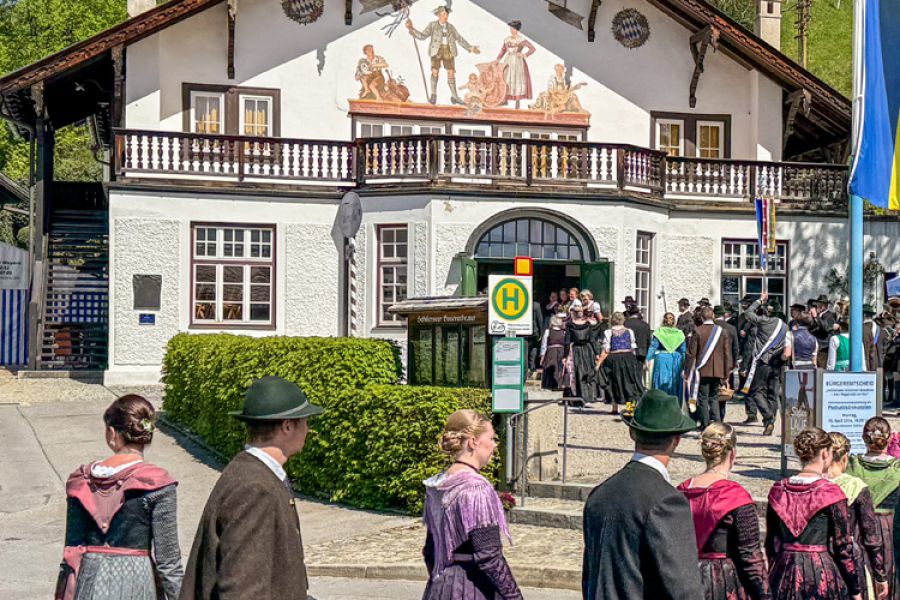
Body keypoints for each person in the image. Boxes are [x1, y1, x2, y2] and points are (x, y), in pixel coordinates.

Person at [180, 376, 324, 600]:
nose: (307, 429)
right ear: (287, 426)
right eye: (305, 421)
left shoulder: (251, 473)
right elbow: (242, 588)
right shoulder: (256, 489)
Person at [56, 395, 183, 600]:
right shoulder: (158, 483)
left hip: (89, 581)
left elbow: (71, 550)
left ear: (112, 433)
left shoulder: (81, 480)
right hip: (138, 584)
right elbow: (168, 562)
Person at [583, 390, 703, 599]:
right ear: (676, 440)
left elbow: (591, 575)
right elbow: (684, 588)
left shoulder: (599, 494)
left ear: (632, 433)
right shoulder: (667, 501)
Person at [422, 410, 522, 600]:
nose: (494, 445)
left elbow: (430, 551)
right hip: (472, 588)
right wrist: (514, 596)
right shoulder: (476, 489)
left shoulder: (438, 484)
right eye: (491, 438)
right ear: (473, 442)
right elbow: (489, 556)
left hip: (439, 587)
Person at [766, 427, 861, 600]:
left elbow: (772, 542)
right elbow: (843, 547)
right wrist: (855, 588)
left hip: (783, 571)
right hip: (820, 573)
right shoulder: (831, 492)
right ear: (825, 454)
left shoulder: (778, 489)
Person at [677, 423, 769, 600]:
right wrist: (765, 595)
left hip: (683, 580)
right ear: (732, 453)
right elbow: (750, 557)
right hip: (724, 582)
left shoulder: (679, 492)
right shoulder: (736, 497)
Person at [828, 432, 889, 600]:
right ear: (845, 457)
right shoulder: (856, 487)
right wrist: (880, 575)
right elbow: (870, 536)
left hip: (812, 561)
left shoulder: (811, 484)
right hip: (849, 563)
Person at [847, 417, 900, 599]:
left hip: (858, 527)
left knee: (862, 579)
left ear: (863, 437)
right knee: (889, 578)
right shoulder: (897, 468)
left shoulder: (851, 466)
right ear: (890, 438)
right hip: (890, 528)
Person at [406, 5, 481, 106]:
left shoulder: (451, 27)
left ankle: (454, 97)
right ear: (439, 15)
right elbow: (422, 36)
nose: (445, 16)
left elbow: (459, 39)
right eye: (443, 14)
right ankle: (433, 95)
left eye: (446, 14)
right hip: (436, 50)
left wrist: (471, 48)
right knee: (435, 72)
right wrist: (412, 29)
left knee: (451, 73)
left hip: (449, 50)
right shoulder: (432, 25)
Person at [742, 292, 789, 436]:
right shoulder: (785, 326)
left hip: (763, 362)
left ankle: (768, 418)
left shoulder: (764, 321)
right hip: (777, 364)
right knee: (772, 394)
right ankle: (771, 419)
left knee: (756, 391)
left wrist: (759, 300)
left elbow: (748, 312)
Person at [685, 307, 733, 429]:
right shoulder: (722, 331)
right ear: (713, 317)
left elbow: (691, 353)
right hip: (718, 370)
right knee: (714, 398)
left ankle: (705, 425)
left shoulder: (697, 330)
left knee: (703, 398)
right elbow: (727, 353)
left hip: (702, 369)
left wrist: (686, 372)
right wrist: (727, 373)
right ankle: (717, 424)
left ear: (701, 317)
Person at [597, 311, 643, 415]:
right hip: (628, 357)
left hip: (614, 358)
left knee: (614, 382)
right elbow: (632, 347)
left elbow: (606, 349)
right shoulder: (629, 331)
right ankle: (630, 408)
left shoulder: (608, 332)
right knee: (629, 382)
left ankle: (614, 408)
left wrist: (599, 363)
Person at [645, 312, 686, 402]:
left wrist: (647, 359)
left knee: (661, 380)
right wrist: (685, 363)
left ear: (663, 320)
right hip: (676, 359)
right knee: (674, 381)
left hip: (662, 359)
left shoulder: (659, 332)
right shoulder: (680, 333)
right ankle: (674, 403)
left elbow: (653, 347)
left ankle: (660, 402)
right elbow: (683, 350)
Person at [495, 20, 535, 108]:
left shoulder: (521, 40)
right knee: (506, 78)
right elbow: (503, 51)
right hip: (508, 61)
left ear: (517, 29)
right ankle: (504, 99)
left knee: (517, 79)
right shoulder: (507, 39)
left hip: (518, 62)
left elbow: (532, 48)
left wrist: (524, 54)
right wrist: (497, 60)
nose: (511, 30)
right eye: (511, 28)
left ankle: (517, 102)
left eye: (513, 28)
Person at [565, 306, 598, 404]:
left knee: (577, 372)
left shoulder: (570, 325)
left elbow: (567, 341)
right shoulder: (588, 325)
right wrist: (596, 353)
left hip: (576, 350)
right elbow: (592, 340)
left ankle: (578, 398)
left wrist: (565, 355)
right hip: (587, 350)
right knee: (587, 371)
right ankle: (589, 396)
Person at [715, 305, 740, 419]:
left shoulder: (712, 327)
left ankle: (714, 416)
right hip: (727, 364)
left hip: (713, 363)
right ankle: (721, 415)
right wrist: (734, 364)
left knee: (712, 391)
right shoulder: (731, 328)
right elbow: (736, 348)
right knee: (724, 391)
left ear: (714, 315)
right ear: (724, 315)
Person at [540, 314, 567, 390]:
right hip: (561, 351)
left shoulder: (548, 332)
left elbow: (544, 345)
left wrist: (542, 356)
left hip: (551, 351)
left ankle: (551, 385)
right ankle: (560, 384)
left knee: (551, 367)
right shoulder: (564, 332)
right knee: (560, 368)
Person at [810, 294, 838, 368]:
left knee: (821, 372)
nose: (818, 306)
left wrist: (816, 316)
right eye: (818, 304)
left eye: (820, 304)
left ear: (825, 305)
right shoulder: (819, 316)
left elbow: (825, 328)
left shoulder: (830, 316)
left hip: (824, 350)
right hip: (816, 349)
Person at [625, 307, 652, 378]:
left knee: (628, 375)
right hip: (641, 352)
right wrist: (648, 355)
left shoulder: (625, 324)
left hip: (628, 351)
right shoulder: (645, 325)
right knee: (638, 375)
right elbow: (648, 340)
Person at [863, 304, 888, 373]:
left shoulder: (860, 330)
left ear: (864, 315)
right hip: (879, 367)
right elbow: (885, 350)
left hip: (864, 366)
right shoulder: (883, 332)